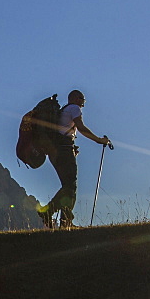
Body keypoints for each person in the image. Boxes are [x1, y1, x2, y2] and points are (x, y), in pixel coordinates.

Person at [38, 89, 110, 228]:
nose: (83, 103)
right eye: (82, 99)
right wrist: (98, 140)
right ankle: (52, 214)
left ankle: (64, 221)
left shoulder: (63, 111)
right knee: (71, 186)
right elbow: (81, 128)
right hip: (64, 149)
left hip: (56, 151)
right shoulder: (74, 108)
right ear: (76, 98)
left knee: (68, 186)